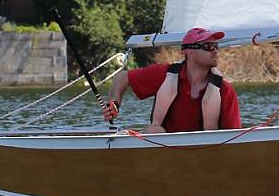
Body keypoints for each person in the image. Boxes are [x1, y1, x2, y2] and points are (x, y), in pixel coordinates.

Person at [102, 27, 241, 133]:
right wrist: (114, 103)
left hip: (207, 153)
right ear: (189, 51)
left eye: (216, 46)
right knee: (153, 131)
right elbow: (121, 78)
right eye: (209, 47)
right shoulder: (164, 74)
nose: (215, 51)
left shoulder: (225, 91)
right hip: (166, 152)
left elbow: (234, 136)